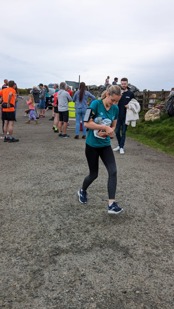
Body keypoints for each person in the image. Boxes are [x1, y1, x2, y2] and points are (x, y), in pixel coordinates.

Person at [78, 85, 123, 215]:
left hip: (105, 145)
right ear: (107, 94)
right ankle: (82, 190)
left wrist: (110, 132)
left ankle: (111, 204)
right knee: (94, 174)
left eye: (117, 101)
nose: (114, 103)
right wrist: (103, 127)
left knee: (113, 171)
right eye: (113, 100)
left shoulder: (115, 109)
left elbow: (113, 126)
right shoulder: (95, 104)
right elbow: (86, 123)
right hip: (92, 146)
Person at [113, 77, 134, 154]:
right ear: (120, 84)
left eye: (125, 84)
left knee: (124, 132)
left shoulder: (130, 94)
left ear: (127, 83)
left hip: (126, 116)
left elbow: (134, 104)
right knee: (117, 131)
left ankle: (121, 147)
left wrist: (129, 106)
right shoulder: (118, 92)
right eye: (122, 84)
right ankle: (119, 145)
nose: (123, 85)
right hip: (118, 115)